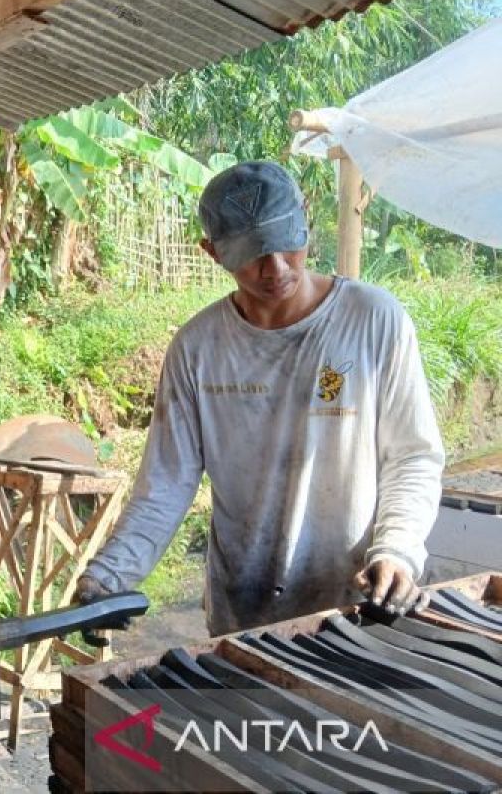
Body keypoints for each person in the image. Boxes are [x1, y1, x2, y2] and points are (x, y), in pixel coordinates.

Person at [75, 161, 444, 636]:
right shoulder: (198, 349)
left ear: (306, 221)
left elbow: (412, 456)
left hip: (356, 607)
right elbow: (166, 484)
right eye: (253, 255)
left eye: (287, 243)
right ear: (211, 253)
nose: (277, 268)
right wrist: (108, 576)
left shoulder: (373, 321)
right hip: (244, 615)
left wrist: (396, 549)